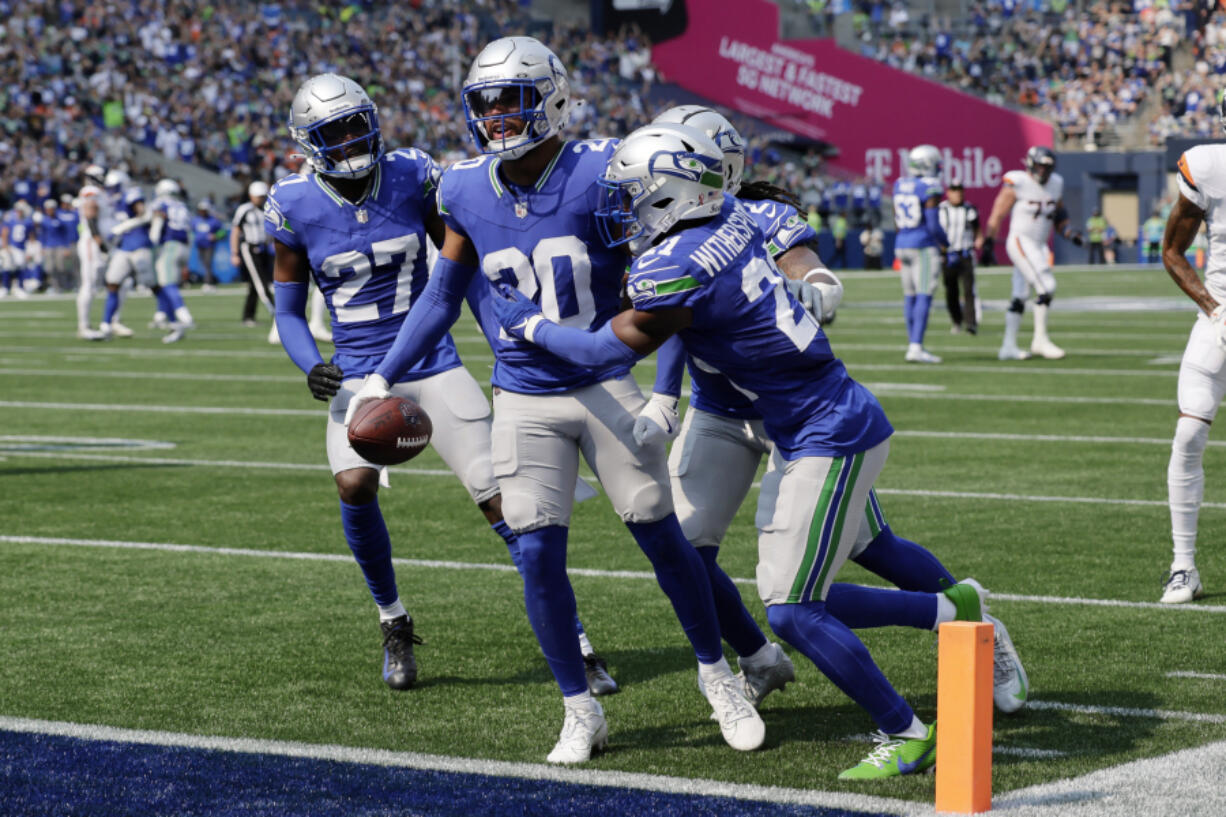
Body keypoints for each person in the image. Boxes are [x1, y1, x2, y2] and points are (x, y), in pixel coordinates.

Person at [346, 37, 763, 764]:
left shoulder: (607, 173)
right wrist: (383, 374)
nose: (498, 116)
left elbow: (666, 287)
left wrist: (667, 393)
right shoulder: (463, 188)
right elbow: (443, 294)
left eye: (511, 98)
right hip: (523, 395)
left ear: (555, 96)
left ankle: (719, 675)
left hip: (606, 383)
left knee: (661, 537)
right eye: (486, 103)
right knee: (536, 554)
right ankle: (579, 709)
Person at [490, 122, 945, 779]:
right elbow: (681, 315)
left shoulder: (674, 260)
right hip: (787, 414)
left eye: (634, 196)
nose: (622, 209)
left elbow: (598, 351)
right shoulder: (731, 214)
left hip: (826, 427)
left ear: (675, 193)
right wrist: (669, 397)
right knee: (736, 563)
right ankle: (943, 616)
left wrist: (526, 323)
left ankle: (907, 724)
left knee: (792, 605)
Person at [643, 108, 1027, 720]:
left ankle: (978, 626)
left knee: (869, 546)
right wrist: (665, 396)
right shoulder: (658, 224)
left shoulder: (761, 214)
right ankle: (758, 658)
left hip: (795, 413)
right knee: (684, 550)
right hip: (718, 406)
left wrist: (821, 284)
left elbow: (804, 264)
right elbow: (664, 319)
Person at [267, 73, 618, 698]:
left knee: (504, 504)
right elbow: (289, 309)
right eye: (334, 132)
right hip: (358, 375)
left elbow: (461, 261)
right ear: (307, 143)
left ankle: (578, 641)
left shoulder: (412, 174)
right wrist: (309, 363)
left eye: (356, 123)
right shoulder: (292, 202)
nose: (350, 139)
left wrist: (505, 326)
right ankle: (393, 621)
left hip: (433, 361)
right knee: (353, 486)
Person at [1155, 132, 1226, 604]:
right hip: (1221, 314)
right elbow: (1172, 251)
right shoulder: (1207, 165)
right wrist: (1214, 309)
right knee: (1188, 434)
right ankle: (1184, 566)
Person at [984, 145, 1083, 361]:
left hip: (1038, 244)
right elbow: (998, 213)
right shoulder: (1017, 182)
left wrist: (1069, 233)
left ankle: (1008, 346)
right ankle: (1040, 340)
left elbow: (1058, 215)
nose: (1043, 171)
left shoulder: (1056, 183)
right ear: (1030, 163)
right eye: (1039, 166)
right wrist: (989, 241)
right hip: (1021, 240)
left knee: (1019, 296)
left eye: (1047, 167)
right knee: (1047, 286)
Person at [892, 144, 949, 363]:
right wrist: (947, 244)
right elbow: (934, 225)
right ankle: (916, 346)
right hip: (922, 246)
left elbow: (896, 215)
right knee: (924, 295)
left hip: (902, 243)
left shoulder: (900, 184)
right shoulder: (930, 186)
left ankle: (912, 344)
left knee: (910, 296)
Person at [150, 179, 196, 343]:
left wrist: (153, 243)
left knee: (166, 283)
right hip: (184, 246)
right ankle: (161, 314)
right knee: (167, 284)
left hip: (169, 245)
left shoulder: (161, 204)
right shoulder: (182, 205)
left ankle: (184, 316)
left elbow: (156, 227)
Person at [232, 180, 278, 343]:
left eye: (262, 196)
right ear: (251, 195)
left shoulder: (268, 208)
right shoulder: (244, 209)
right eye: (258, 196)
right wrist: (234, 253)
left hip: (265, 249)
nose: (260, 199)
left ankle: (248, 316)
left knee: (254, 286)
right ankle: (277, 314)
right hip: (250, 248)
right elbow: (236, 231)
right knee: (261, 284)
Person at [938, 181, 981, 335]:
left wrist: (979, 240)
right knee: (951, 291)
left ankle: (971, 323)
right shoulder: (941, 209)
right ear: (948, 192)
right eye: (954, 190)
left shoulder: (969, 209)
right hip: (948, 255)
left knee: (969, 290)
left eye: (959, 190)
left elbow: (977, 228)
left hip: (965, 254)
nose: (957, 193)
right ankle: (957, 320)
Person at [192, 200, 224, 289]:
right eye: (201, 210)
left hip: (209, 245)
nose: (202, 212)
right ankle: (208, 281)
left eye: (204, 210)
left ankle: (208, 283)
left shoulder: (213, 220)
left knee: (208, 263)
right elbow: (193, 230)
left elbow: (223, 231)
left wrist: (216, 236)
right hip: (199, 245)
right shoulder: (196, 220)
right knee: (204, 264)